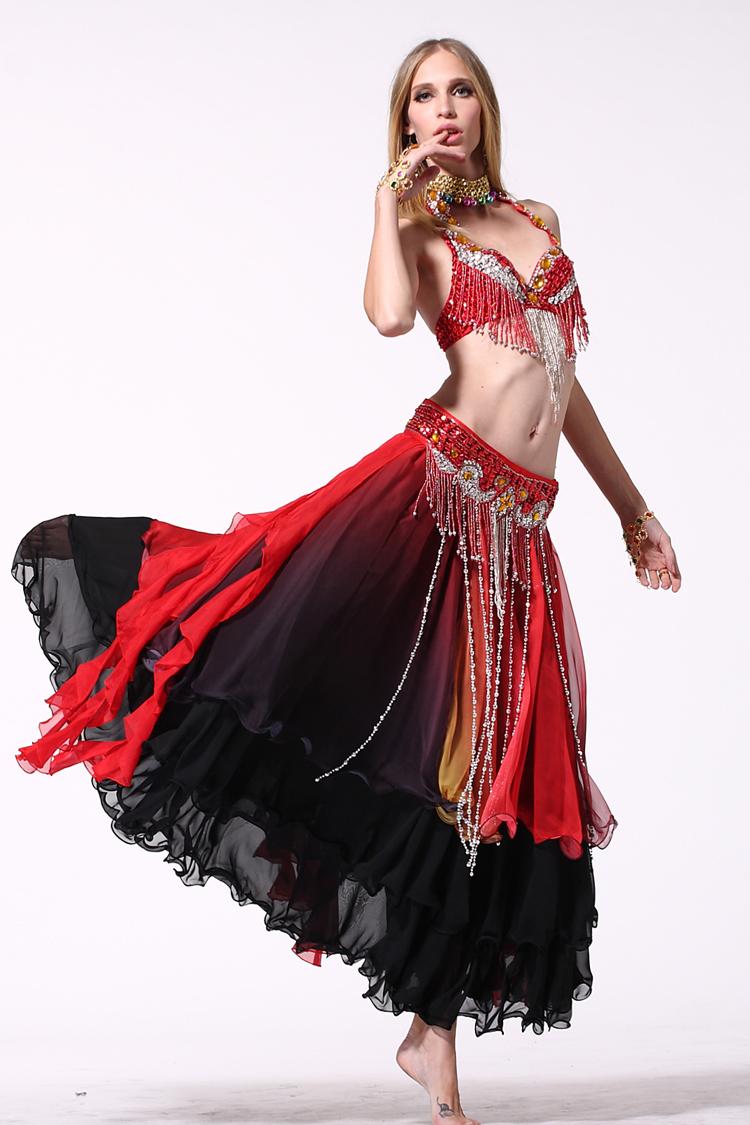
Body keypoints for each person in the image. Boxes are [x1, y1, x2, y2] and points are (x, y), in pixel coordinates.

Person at [10, 36, 681, 1125]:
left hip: (523, 536)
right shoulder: (418, 232)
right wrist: (385, 198)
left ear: (485, 106)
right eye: (424, 97)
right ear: (406, 121)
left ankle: (429, 1032)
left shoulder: (539, 222)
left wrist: (632, 510)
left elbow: (564, 385)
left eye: (461, 90)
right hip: (435, 506)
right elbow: (385, 317)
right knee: (425, 751)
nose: (445, 108)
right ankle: (435, 1043)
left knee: (491, 783)